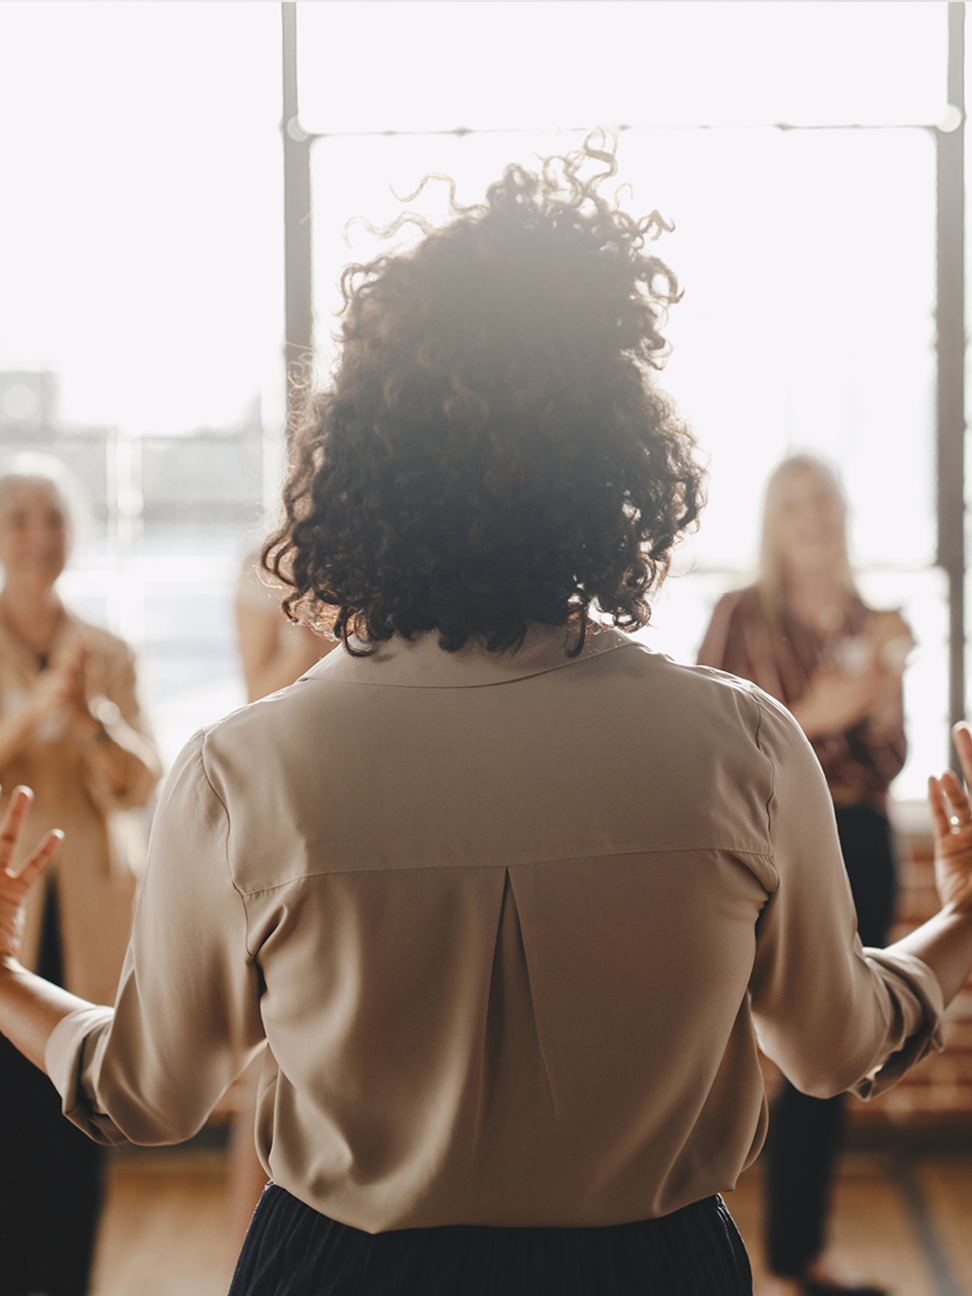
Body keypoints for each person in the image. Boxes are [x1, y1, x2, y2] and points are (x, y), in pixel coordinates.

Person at [2, 143, 972, 1296]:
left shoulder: (243, 771)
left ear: (357, 465)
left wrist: (6, 978)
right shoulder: (744, 746)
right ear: (618, 464)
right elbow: (837, 1047)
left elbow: (143, 1096)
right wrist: (965, 921)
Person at [697, 456, 912, 1296]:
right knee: (712, 1040)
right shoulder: (738, 614)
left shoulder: (875, 620)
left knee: (833, 1046)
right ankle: (680, 1245)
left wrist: (874, 702)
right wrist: (825, 711)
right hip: (759, 842)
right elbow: (716, 740)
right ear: (771, 521)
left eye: (823, 500)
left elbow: (886, 758)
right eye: (794, 505)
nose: (812, 518)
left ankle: (795, 1255)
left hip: (859, 838)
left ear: (844, 513)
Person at [0, 465, 160, 1296]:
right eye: (19, 517)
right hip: (5, 911)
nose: (38, 534)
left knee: (75, 1111)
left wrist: (93, 713)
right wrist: (37, 706)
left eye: (53, 517)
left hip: (87, 916)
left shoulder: (110, 652)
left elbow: (144, 783)